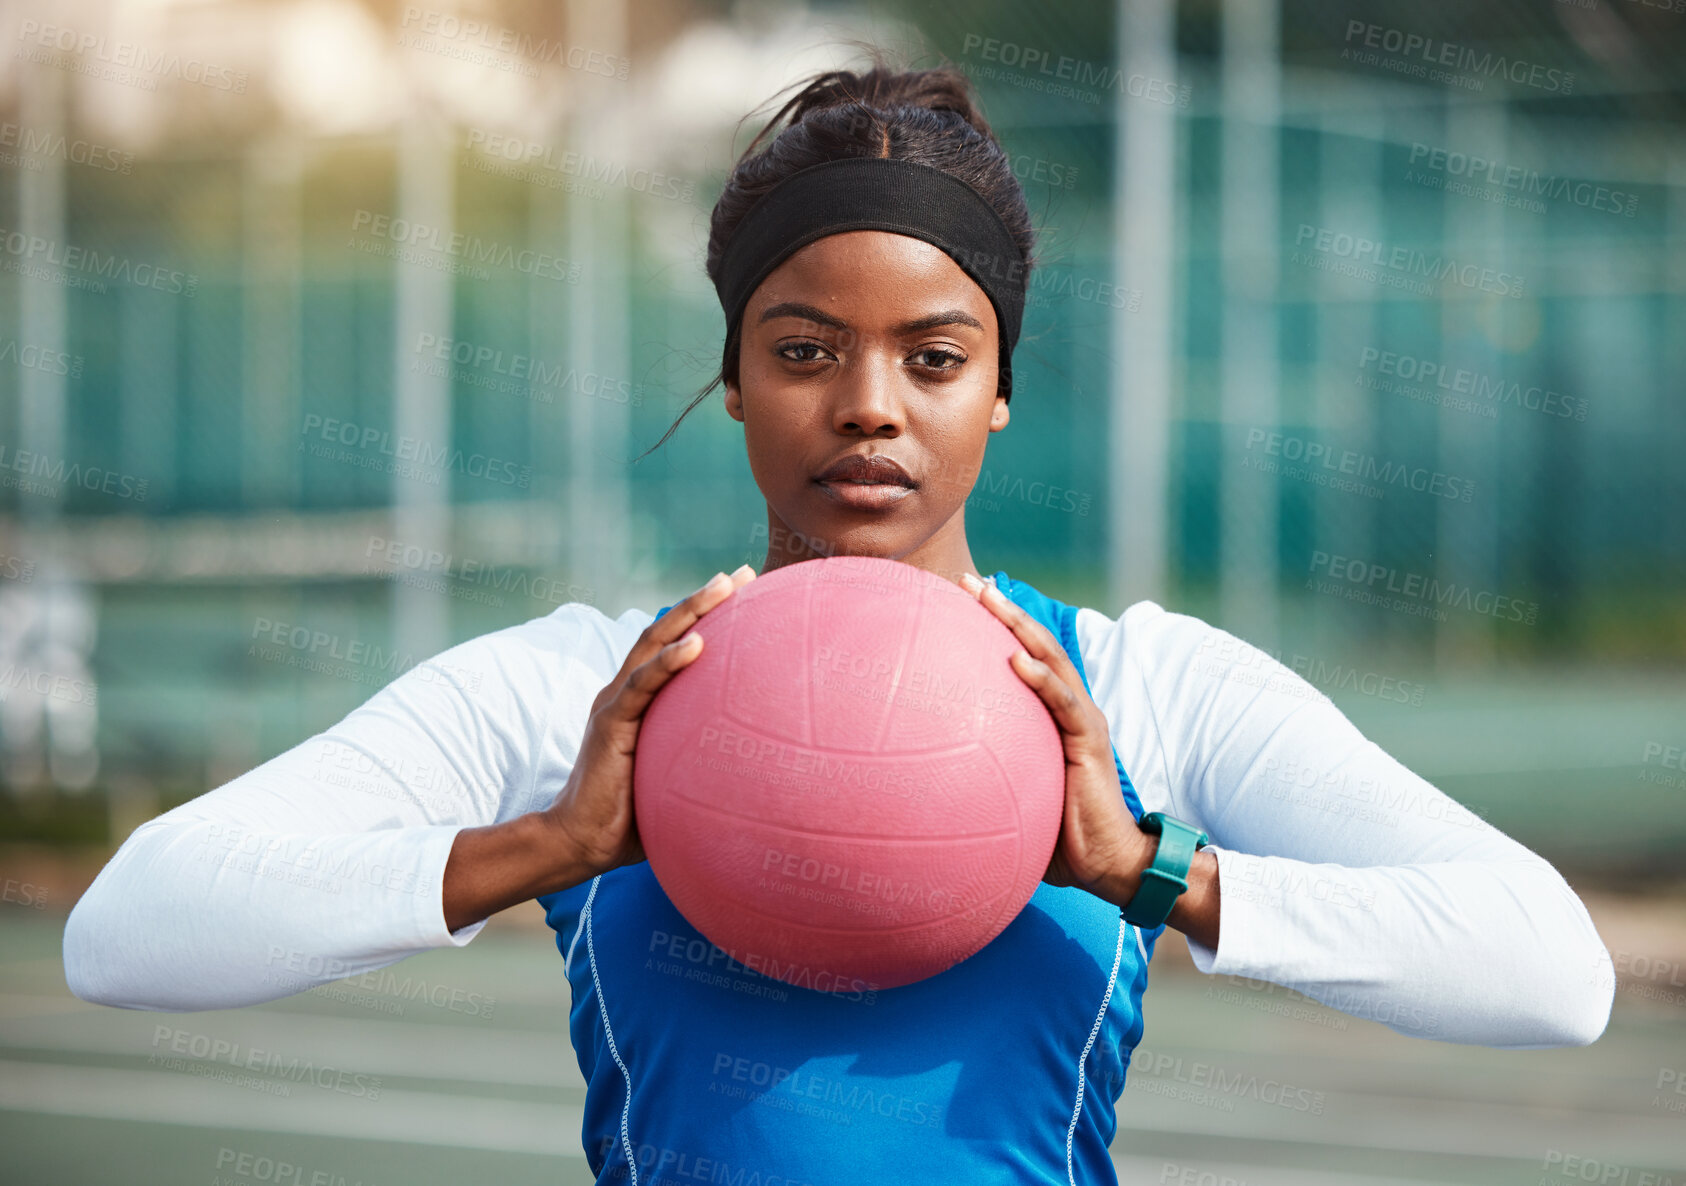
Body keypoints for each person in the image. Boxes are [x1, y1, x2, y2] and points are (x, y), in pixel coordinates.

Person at [64, 61, 1614, 1186]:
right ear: (731, 375)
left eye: (933, 357)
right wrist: (554, 842)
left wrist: (1147, 870)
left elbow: (1550, 971)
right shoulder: (584, 687)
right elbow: (129, 930)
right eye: (804, 348)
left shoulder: (1143, 685)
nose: (867, 406)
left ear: (999, 388)